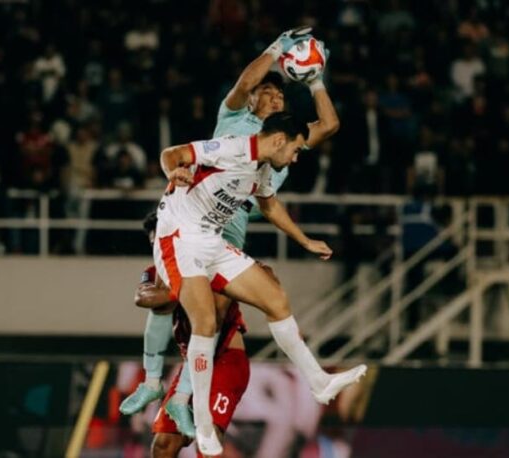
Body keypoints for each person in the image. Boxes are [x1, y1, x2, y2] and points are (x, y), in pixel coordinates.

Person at [119, 25, 342, 435]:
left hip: (231, 224)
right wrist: (276, 49)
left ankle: (184, 398)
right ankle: (152, 382)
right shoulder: (233, 118)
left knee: (214, 313)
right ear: (253, 98)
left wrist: (316, 82)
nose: (276, 97)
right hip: (191, 210)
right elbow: (243, 83)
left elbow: (328, 125)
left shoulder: (285, 139)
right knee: (163, 296)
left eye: (281, 94)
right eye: (269, 93)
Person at [155, 113, 366, 455]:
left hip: (210, 240)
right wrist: (173, 172)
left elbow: (269, 206)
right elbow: (171, 153)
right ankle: (204, 425)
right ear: (280, 140)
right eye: (296, 149)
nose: (296, 157)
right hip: (178, 237)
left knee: (275, 298)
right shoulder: (228, 149)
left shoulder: (263, 167)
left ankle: (319, 382)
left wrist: (305, 240)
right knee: (205, 322)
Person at [129, 212, 252, 457]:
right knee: (164, 444)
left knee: (208, 441)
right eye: (155, 244)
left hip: (224, 361)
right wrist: (180, 291)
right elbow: (143, 297)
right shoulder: (154, 272)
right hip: (192, 367)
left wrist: (174, 293)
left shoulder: (213, 262)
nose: (161, 249)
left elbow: (216, 314)